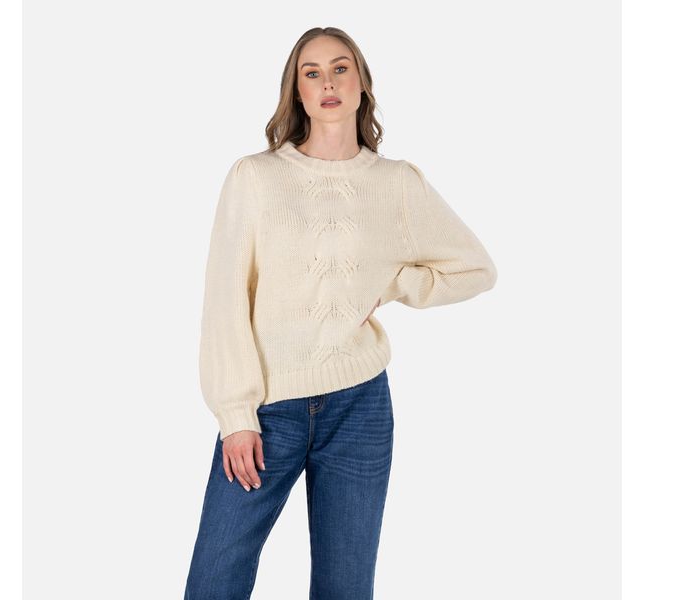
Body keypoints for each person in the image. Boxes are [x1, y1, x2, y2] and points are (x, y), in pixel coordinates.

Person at [184, 26, 497, 600]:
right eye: (312, 73)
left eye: (340, 68)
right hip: (266, 410)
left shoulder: (396, 183)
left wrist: (394, 283)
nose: (327, 82)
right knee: (214, 579)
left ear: (362, 85)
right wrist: (235, 414)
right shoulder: (255, 177)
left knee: (346, 588)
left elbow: (476, 268)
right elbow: (225, 298)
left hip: (359, 408)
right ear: (297, 92)